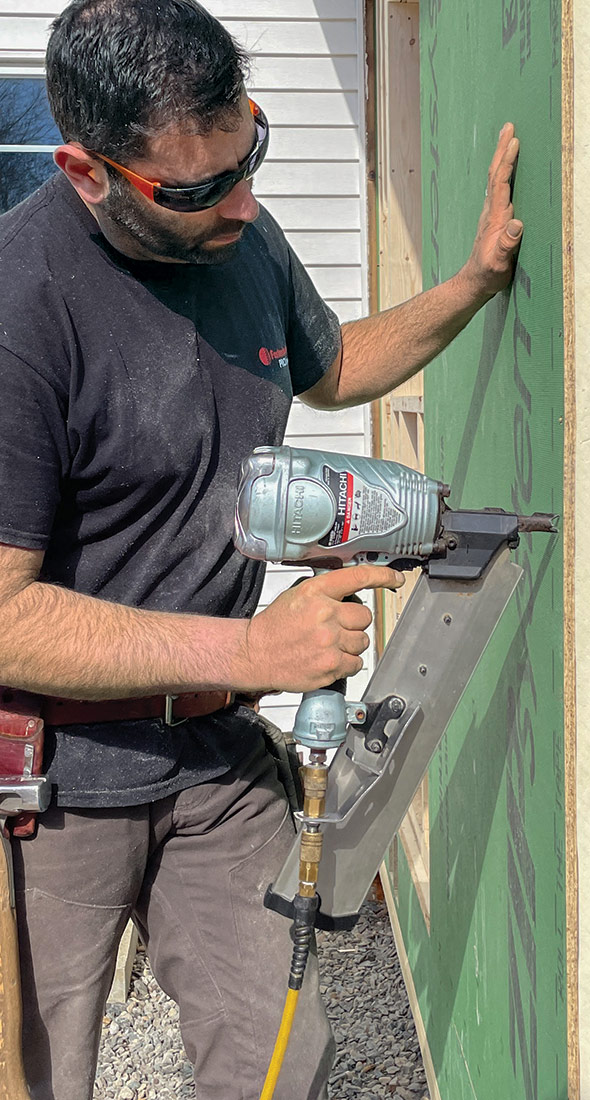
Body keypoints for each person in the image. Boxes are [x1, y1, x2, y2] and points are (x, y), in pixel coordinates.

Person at [0, 1, 523, 1097]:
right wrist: (253, 651)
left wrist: (470, 284)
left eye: (252, 155)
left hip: (217, 762)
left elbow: (332, 366)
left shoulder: (244, 235)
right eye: (194, 190)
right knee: (35, 1075)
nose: (241, 199)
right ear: (86, 170)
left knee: (279, 1062)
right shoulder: (22, 305)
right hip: (51, 786)